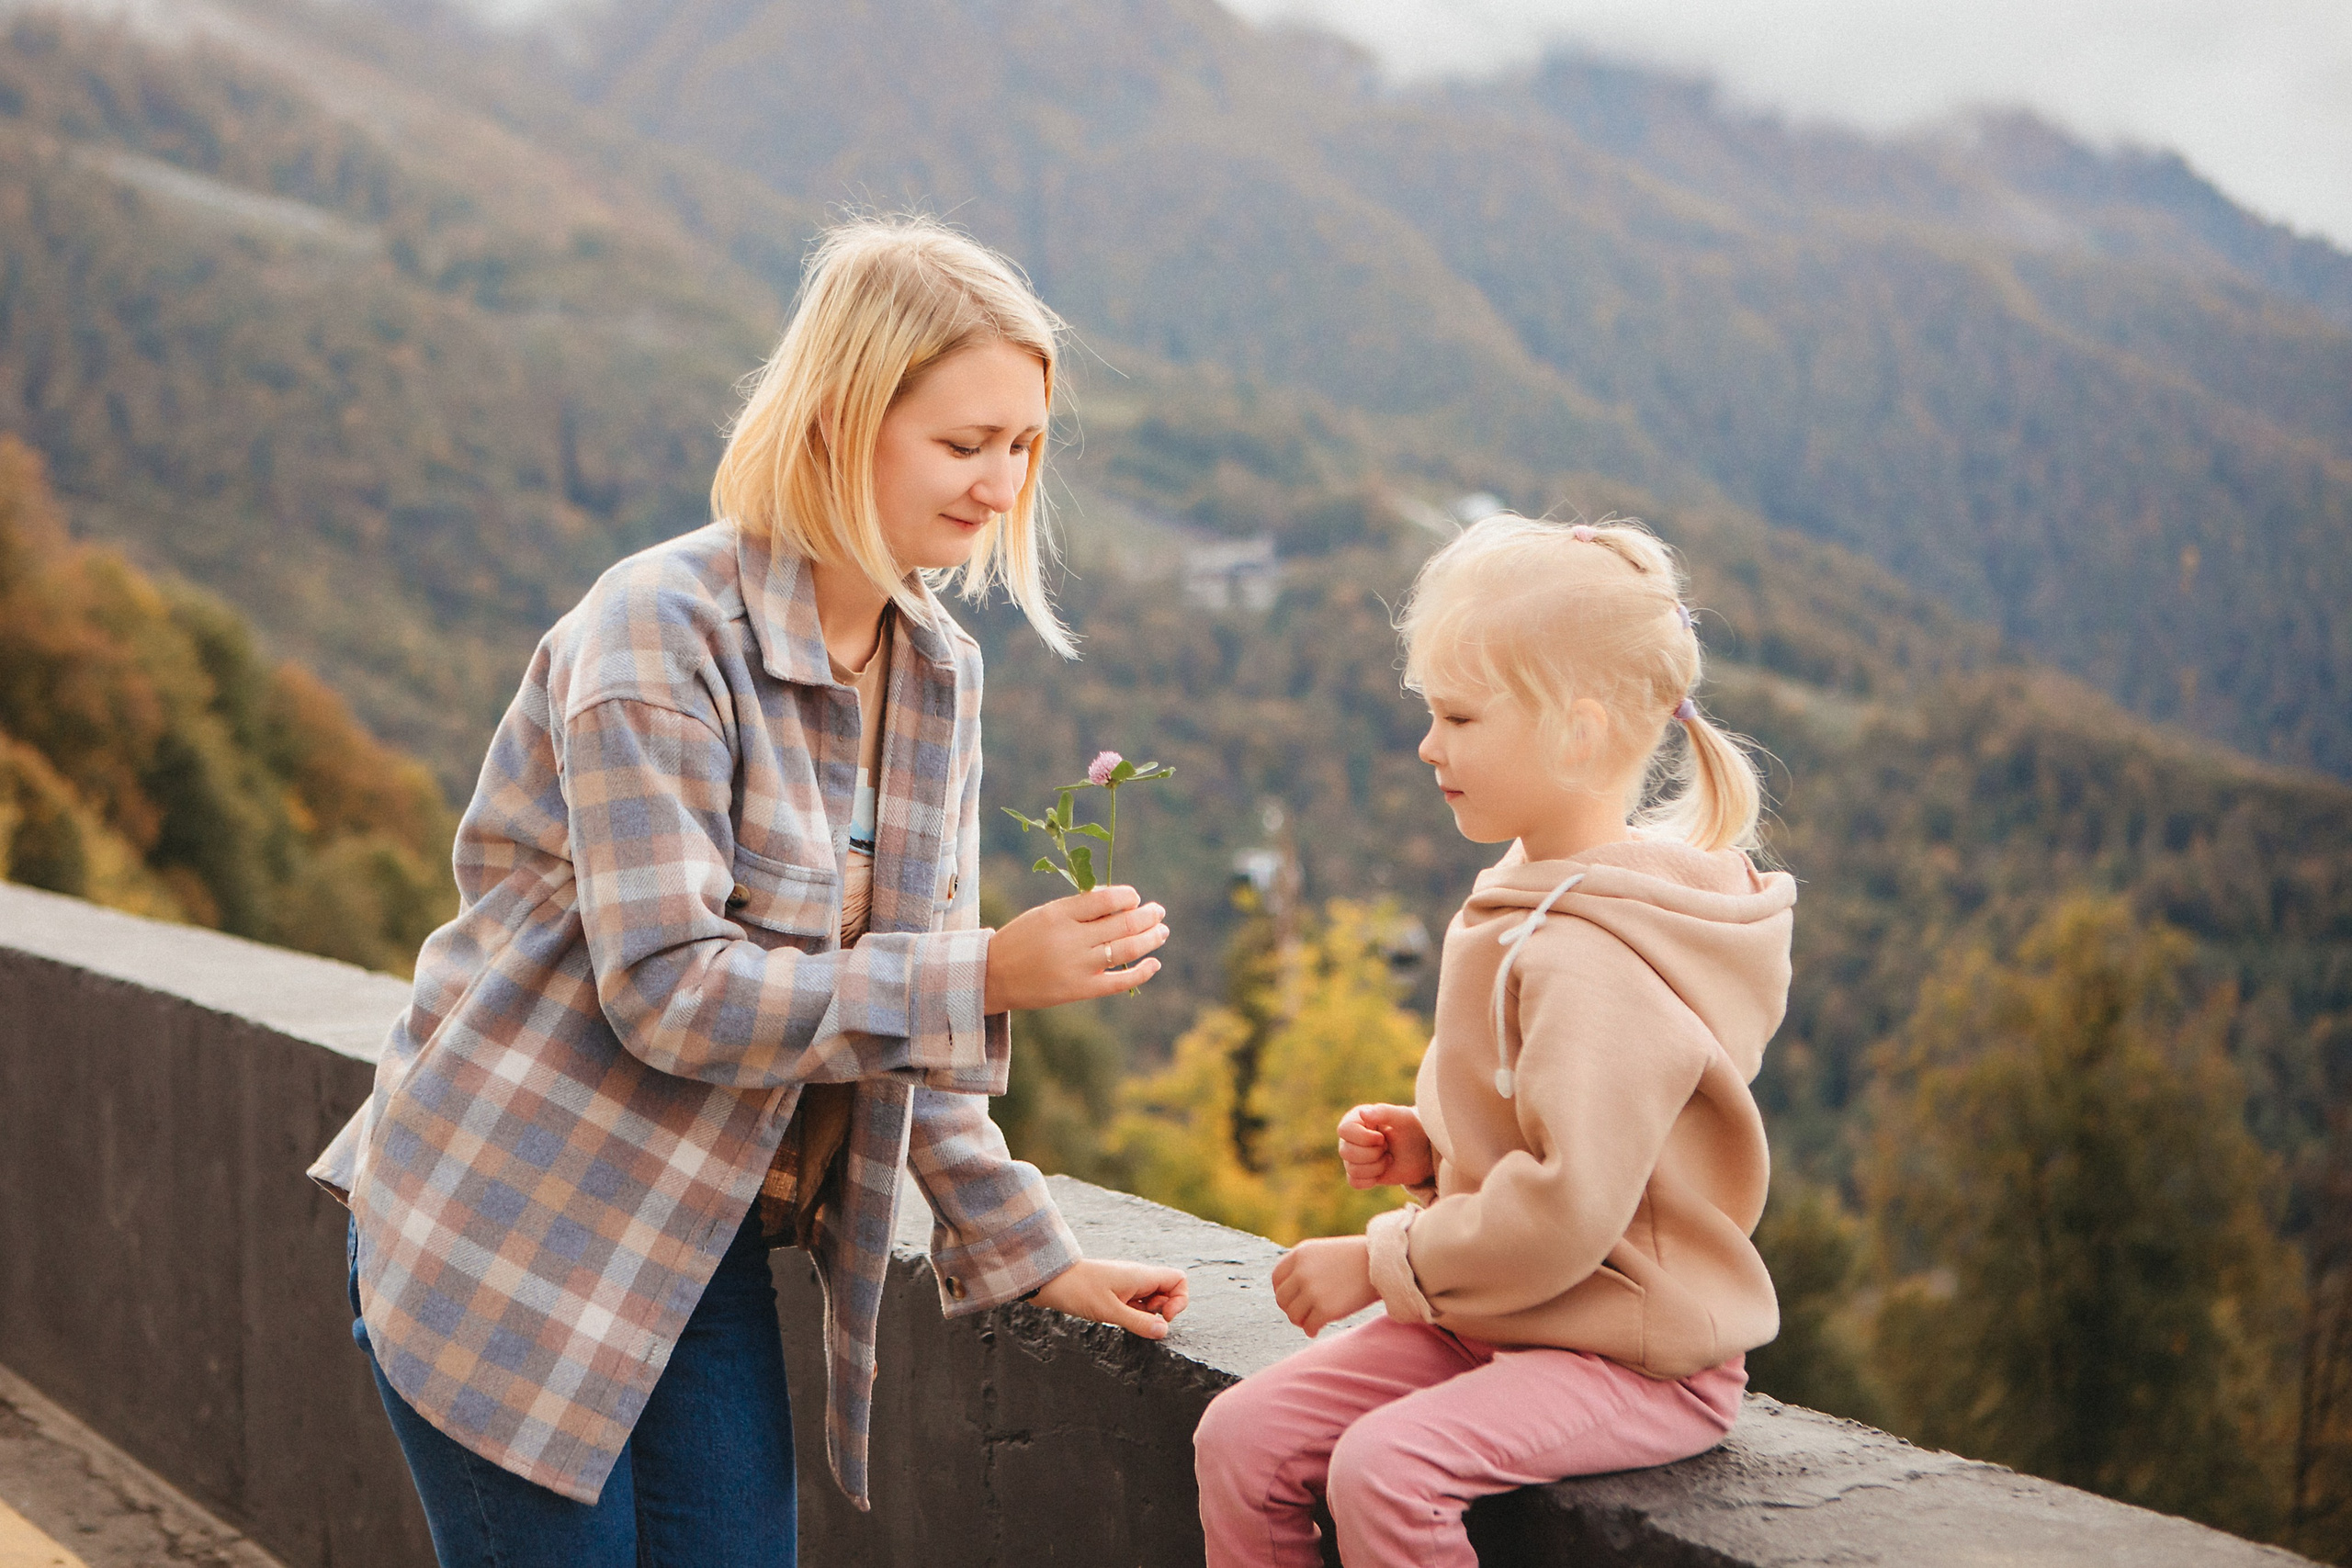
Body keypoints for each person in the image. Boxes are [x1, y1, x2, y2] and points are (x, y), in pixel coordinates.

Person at [310, 216, 1189, 1567]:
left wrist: (1028, 1248)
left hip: (696, 1237)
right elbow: (668, 992)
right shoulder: (657, 630)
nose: (1001, 486)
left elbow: (909, 1026)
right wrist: (988, 972)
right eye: (966, 445)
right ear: (843, 419)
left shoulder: (935, 670)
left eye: (1023, 445)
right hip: (511, 1230)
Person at [1193, 515, 1796, 1567]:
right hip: (1509, 1313)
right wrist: (1435, 1155)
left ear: (1577, 733)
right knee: (1239, 1439)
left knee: (1387, 1472)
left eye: (1459, 717)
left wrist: (1381, 1262)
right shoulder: (1527, 898)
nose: (1429, 745)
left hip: (1636, 1349)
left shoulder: (1594, 955)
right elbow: (1543, 1138)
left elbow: (1568, 1211)